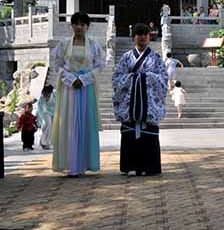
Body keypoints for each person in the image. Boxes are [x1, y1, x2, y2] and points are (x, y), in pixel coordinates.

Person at [52, 11, 105, 176]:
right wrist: (69, 78)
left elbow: (100, 65)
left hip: (86, 88)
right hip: (69, 89)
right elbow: (57, 64)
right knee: (69, 123)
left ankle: (86, 164)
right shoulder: (63, 44)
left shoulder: (94, 45)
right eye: (76, 24)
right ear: (72, 26)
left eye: (82, 24)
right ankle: (71, 164)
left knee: (86, 124)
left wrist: (84, 79)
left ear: (87, 26)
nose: (79, 27)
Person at [113, 23, 168, 176]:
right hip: (130, 103)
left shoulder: (156, 58)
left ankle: (149, 166)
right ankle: (130, 166)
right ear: (133, 37)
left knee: (148, 136)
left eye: (145, 34)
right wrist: (134, 78)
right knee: (129, 134)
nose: (142, 37)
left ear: (150, 37)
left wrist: (145, 78)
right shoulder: (126, 58)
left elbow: (163, 78)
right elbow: (117, 78)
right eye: (139, 34)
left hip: (148, 103)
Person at [37, 84, 56, 150]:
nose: (46, 96)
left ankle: (48, 142)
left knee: (53, 127)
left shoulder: (55, 94)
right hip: (46, 112)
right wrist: (40, 121)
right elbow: (40, 109)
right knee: (47, 125)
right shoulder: (42, 98)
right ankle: (44, 142)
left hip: (55, 111)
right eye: (44, 94)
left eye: (47, 94)